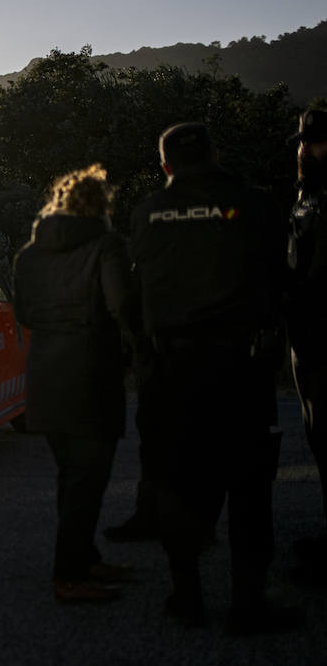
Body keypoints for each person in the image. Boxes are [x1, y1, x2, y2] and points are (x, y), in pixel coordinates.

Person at [129, 122, 296, 634]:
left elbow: (139, 292)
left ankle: (187, 597)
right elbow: (282, 278)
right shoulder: (255, 203)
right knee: (248, 488)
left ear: (166, 167)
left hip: (173, 371)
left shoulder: (146, 213)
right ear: (215, 152)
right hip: (240, 369)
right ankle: (248, 604)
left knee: (181, 484)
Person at [14, 164, 136, 604]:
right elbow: (122, 304)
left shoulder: (29, 254)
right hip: (91, 373)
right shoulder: (107, 245)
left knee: (72, 476)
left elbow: (24, 313)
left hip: (45, 375)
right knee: (88, 479)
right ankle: (68, 576)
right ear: (102, 204)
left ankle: (84, 559)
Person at [286, 109, 327, 572]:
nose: (305, 150)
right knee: (318, 436)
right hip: (306, 337)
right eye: (302, 143)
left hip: (321, 333)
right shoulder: (306, 195)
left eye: (314, 143)